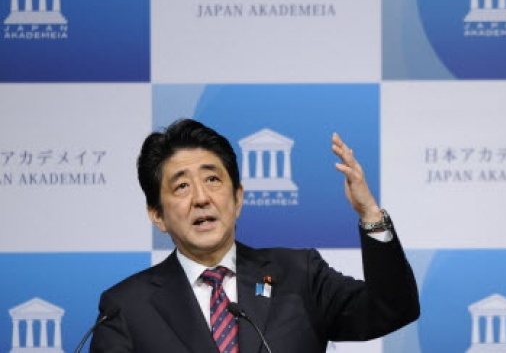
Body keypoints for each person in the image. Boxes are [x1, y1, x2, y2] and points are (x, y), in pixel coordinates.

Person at [90, 118, 419, 353]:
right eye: (181, 186)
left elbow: (392, 309)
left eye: (213, 180)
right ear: (158, 216)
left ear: (238, 199)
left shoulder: (298, 274)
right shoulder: (125, 308)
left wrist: (371, 216)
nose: (201, 198)